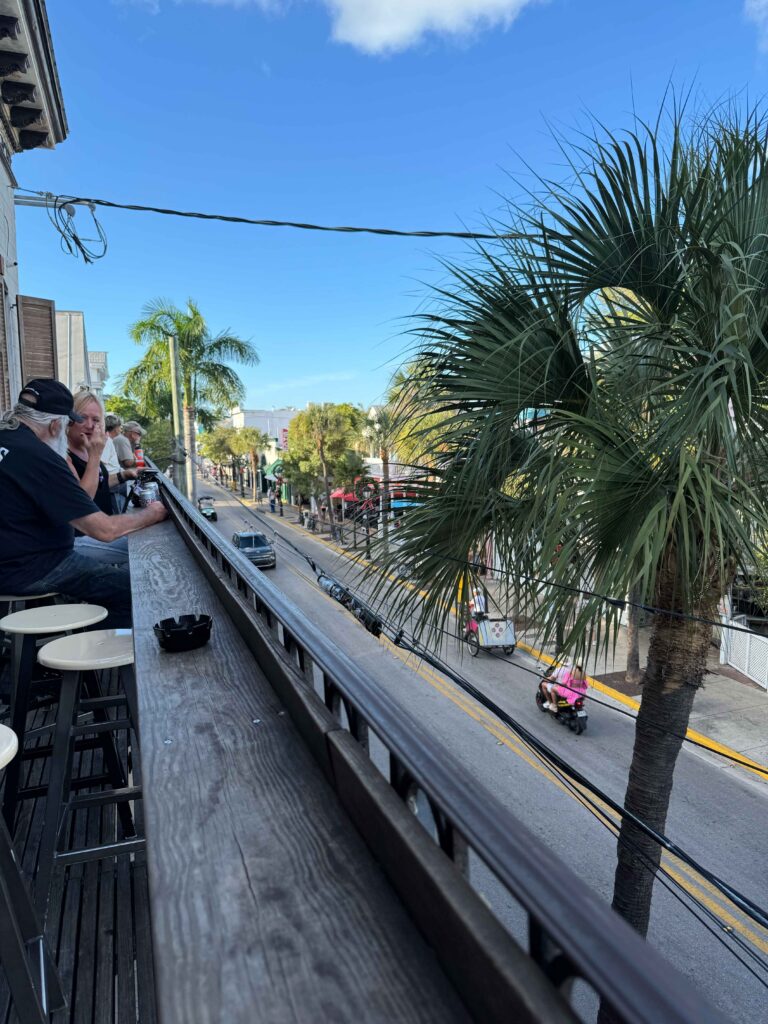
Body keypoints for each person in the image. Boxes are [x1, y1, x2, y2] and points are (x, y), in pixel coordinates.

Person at [0, 379, 167, 628]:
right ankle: (78, 650)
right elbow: (104, 530)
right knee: (139, 590)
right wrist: (153, 514)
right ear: (56, 425)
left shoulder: (7, 438)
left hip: (14, 561)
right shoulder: (40, 457)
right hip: (31, 567)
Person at [67, 391, 138, 565]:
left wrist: (125, 475)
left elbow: (99, 484)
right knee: (142, 553)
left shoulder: (87, 449)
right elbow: (82, 500)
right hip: (79, 539)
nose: (90, 425)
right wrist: (95, 456)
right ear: (69, 420)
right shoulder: (64, 454)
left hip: (100, 530)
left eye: (96, 420)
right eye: (82, 418)